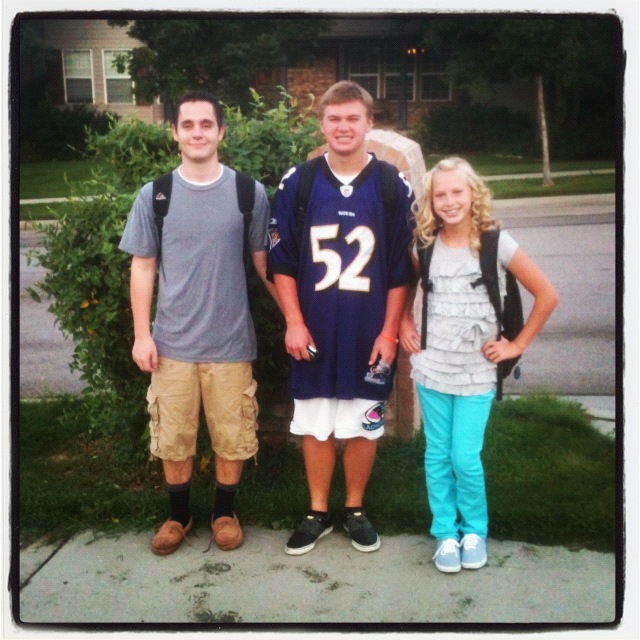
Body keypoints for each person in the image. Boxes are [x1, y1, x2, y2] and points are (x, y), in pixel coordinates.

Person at [119, 90, 277, 555]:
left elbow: (264, 263)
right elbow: (142, 266)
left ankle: (224, 513)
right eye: (187, 125)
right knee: (173, 437)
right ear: (174, 133)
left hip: (230, 341)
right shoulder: (156, 195)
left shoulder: (249, 192)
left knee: (232, 435)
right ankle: (179, 515)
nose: (197, 133)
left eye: (206, 124)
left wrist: (296, 317)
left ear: (221, 131)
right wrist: (142, 335)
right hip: (171, 344)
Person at [267, 80, 415, 556]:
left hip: (369, 332)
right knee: (316, 423)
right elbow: (282, 262)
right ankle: (317, 512)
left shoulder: (391, 184)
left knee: (363, 421)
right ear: (322, 124)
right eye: (334, 118)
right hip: (314, 329)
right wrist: (293, 321)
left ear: (370, 123)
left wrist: (389, 332)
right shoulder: (300, 182)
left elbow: (401, 268)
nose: (344, 126)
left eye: (353, 118)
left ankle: (354, 509)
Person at [399, 156, 559, 573]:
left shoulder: (495, 244)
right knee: (438, 454)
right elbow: (408, 283)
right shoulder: (424, 245)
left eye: (458, 192)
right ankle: (444, 533)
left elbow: (547, 295)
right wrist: (403, 321)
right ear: (430, 202)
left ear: (473, 194)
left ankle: (474, 530)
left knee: (465, 456)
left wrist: (515, 345)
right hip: (434, 367)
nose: (450, 201)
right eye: (441, 195)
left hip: (476, 372)